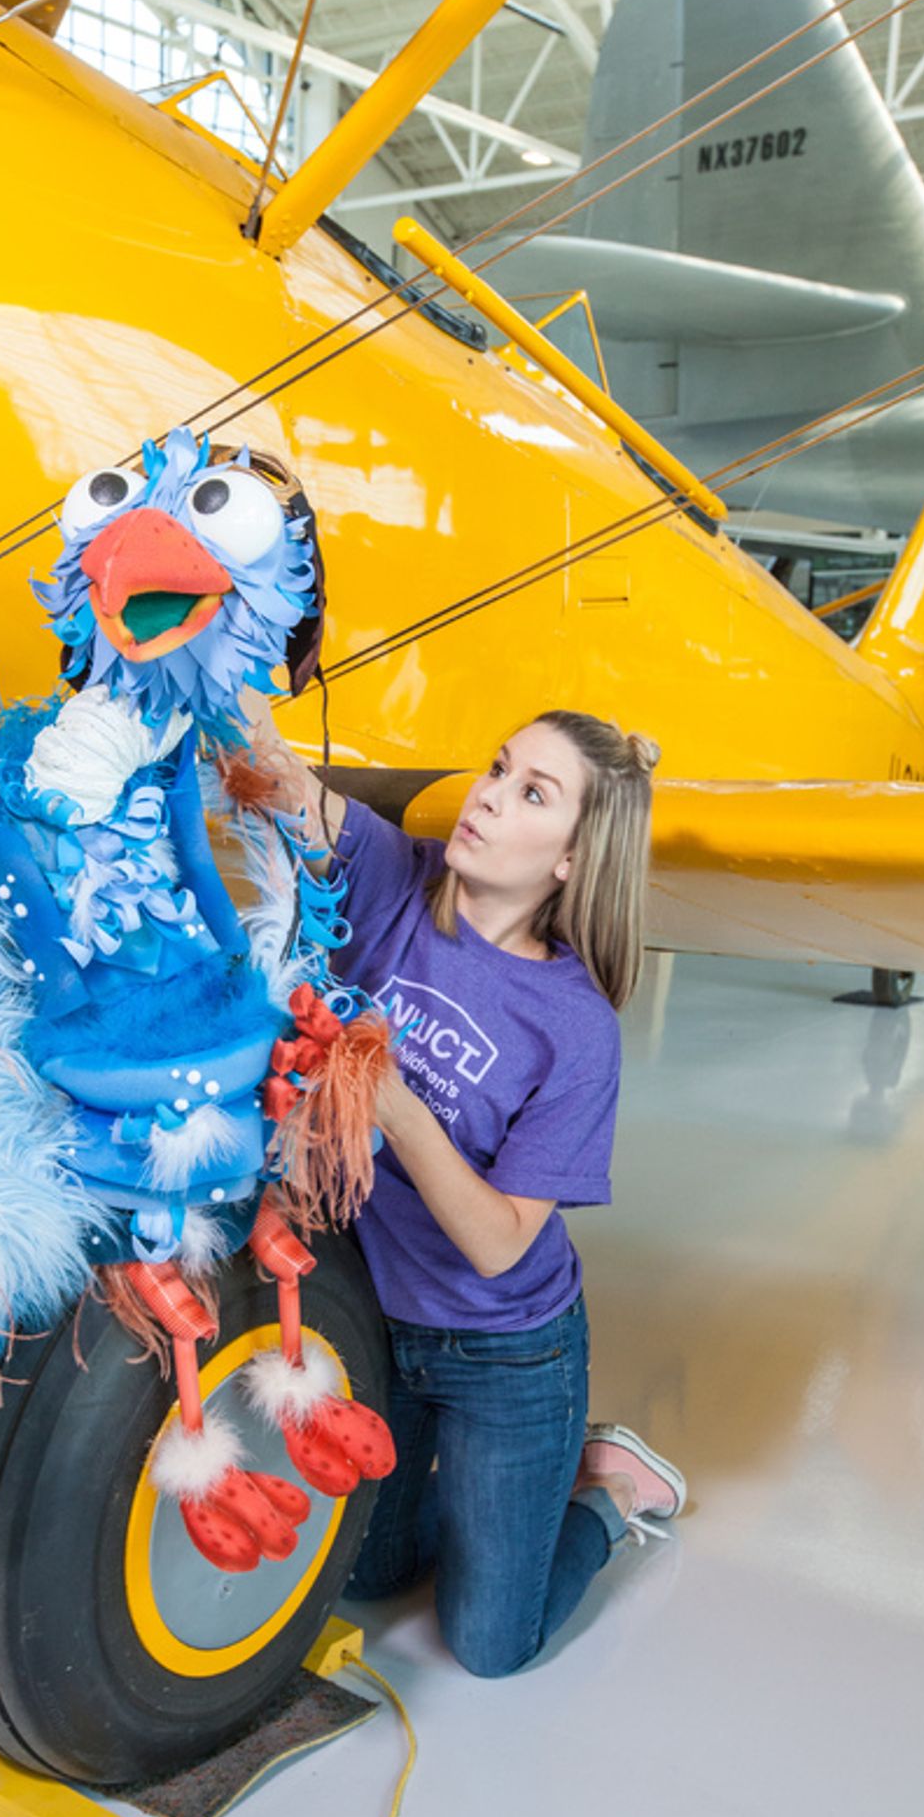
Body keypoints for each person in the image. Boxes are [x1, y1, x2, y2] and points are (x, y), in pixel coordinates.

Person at [249, 699, 686, 1676]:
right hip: (380, 1321)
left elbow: (497, 1244)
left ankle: (606, 1491)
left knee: (489, 1647)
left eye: (530, 792)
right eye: (496, 768)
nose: (485, 797)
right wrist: (196, 620)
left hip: (505, 1354)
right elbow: (273, 772)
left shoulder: (575, 1031)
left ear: (569, 861)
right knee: (369, 1574)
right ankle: (500, 1499)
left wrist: (392, 1103)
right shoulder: (394, 879)